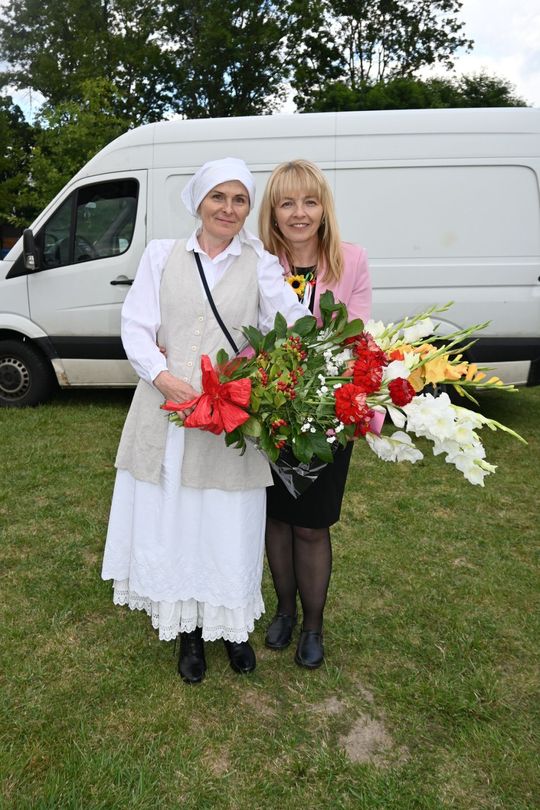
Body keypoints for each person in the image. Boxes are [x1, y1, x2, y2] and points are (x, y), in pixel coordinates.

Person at [101, 158, 308, 684]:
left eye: (240, 200)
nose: (229, 209)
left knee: (227, 520)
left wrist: (265, 369)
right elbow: (135, 326)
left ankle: (233, 628)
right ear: (199, 201)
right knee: (177, 519)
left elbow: (291, 325)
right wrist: (163, 377)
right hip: (167, 408)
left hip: (228, 418)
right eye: (219, 197)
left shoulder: (259, 261)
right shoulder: (160, 255)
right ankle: (189, 633)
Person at [258, 159, 372, 669]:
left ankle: (313, 626)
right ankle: (283, 610)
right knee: (276, 520)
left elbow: (357, 339)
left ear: (324, 209)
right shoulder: (259, 261)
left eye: (309, 201)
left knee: (311, 526)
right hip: (271, 414)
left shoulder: (351, 261)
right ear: (274, 213)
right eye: (287, 202)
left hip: (329, 415)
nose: (299, 213)